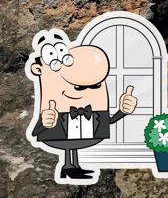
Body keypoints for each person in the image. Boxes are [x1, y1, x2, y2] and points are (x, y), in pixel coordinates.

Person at [27, 30, 138, 180]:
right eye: (79, 87)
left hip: (85, 134)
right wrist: (45, 123)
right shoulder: (52, 108)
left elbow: (108, 121)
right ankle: (68, 167)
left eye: (95, 86)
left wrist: (123, 110)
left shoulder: (95, 110)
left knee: (72, 146)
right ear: (38, 69)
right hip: (58, 133)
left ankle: (72, 167)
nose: (85, 91)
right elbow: (35, 132)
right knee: (68, 145)